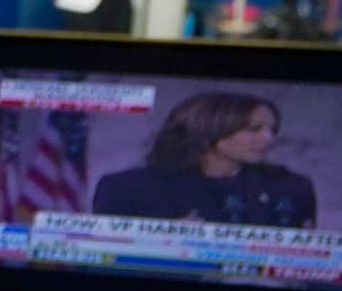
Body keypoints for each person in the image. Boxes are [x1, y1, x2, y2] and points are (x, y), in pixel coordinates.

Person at [89, 92, 316, 227]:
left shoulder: (291, 188)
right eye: (254, 129)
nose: (268, 138)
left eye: (272, 129)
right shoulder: (126, 188)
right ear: (209, 129)